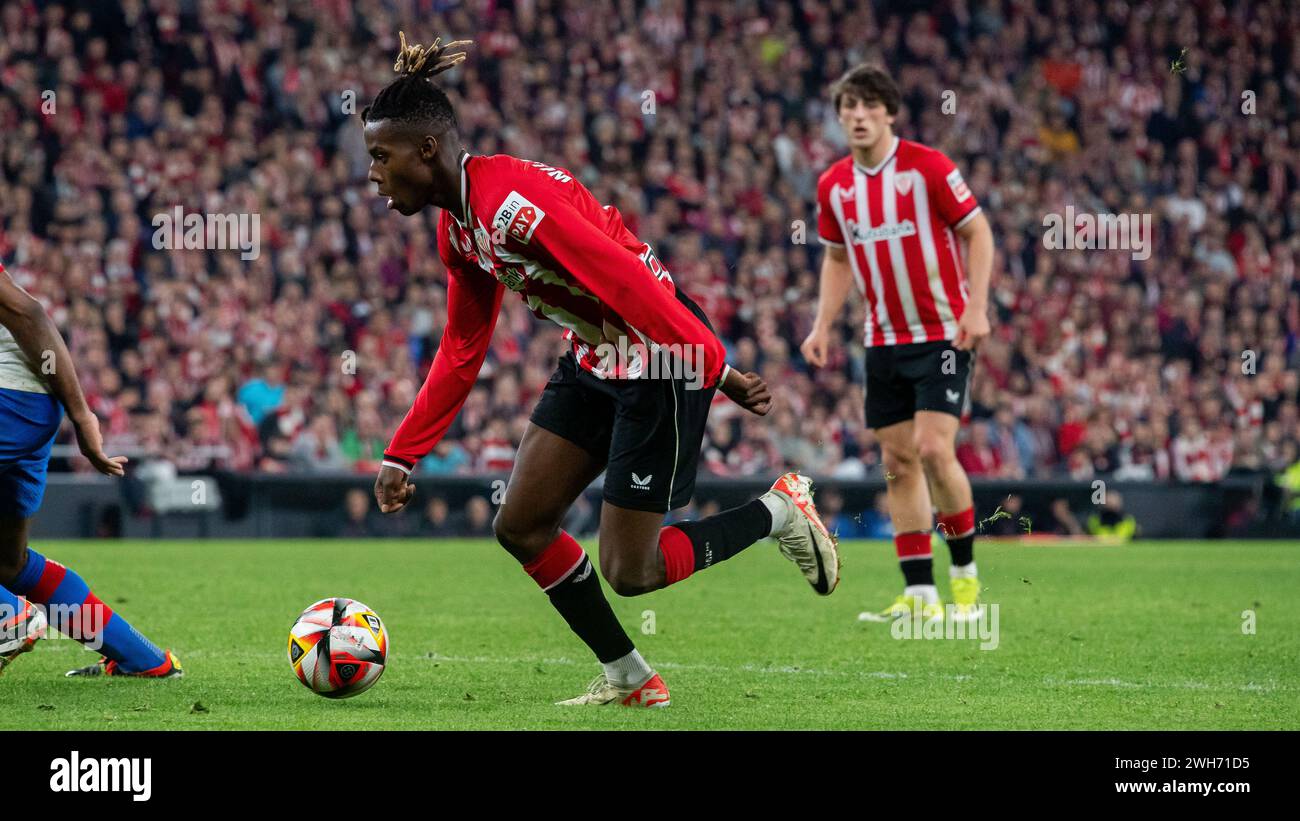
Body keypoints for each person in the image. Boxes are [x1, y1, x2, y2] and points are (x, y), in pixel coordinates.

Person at [363, 35, 839, 708]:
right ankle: (630, 678)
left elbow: (623, 278)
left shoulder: (507, 208)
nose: (374, 174)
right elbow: (464, 343)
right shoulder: (460, 228)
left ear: (427, 150)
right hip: (596, 355)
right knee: (521, 523)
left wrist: (715, 364)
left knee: (631, 570)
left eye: (381, 157)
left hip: (659, 353)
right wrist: (403, 452)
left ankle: (779, 510)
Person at [801, 64, 995, 625]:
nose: (858, 116)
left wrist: (976, 306)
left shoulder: (927, 167)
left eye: (868, 106)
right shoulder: (833, 185)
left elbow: (977, 231)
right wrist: (822, 324)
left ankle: (964, 582)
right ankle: (920, 595)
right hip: (882, 340)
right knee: (897, 461)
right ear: (839, 117)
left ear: (889, 112)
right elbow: (837, 259)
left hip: (943, 332)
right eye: (848, 107)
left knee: (935, 448)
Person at [0, 261, 181, 678]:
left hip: (8, 402)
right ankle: (144, 661)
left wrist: (84, 417)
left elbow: (29, 312)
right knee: (8, 563)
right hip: (35, 404)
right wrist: (76, 413)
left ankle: (8, 616)